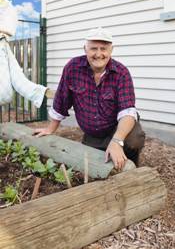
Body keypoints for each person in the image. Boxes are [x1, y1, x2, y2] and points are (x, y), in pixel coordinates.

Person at [34, 27, 145, 169]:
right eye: (93, 48)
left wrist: (117, 141)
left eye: (103, 49)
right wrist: (50, 129)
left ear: (111, 50)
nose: (98, 54)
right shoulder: (72, 68)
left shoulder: (121, 73)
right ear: (85, 49)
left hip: (117, 127)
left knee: (134, 141)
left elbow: (128, 111)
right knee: (94, 165)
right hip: (92, 133)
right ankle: (107, 148)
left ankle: (131, 163)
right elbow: (61, 101)